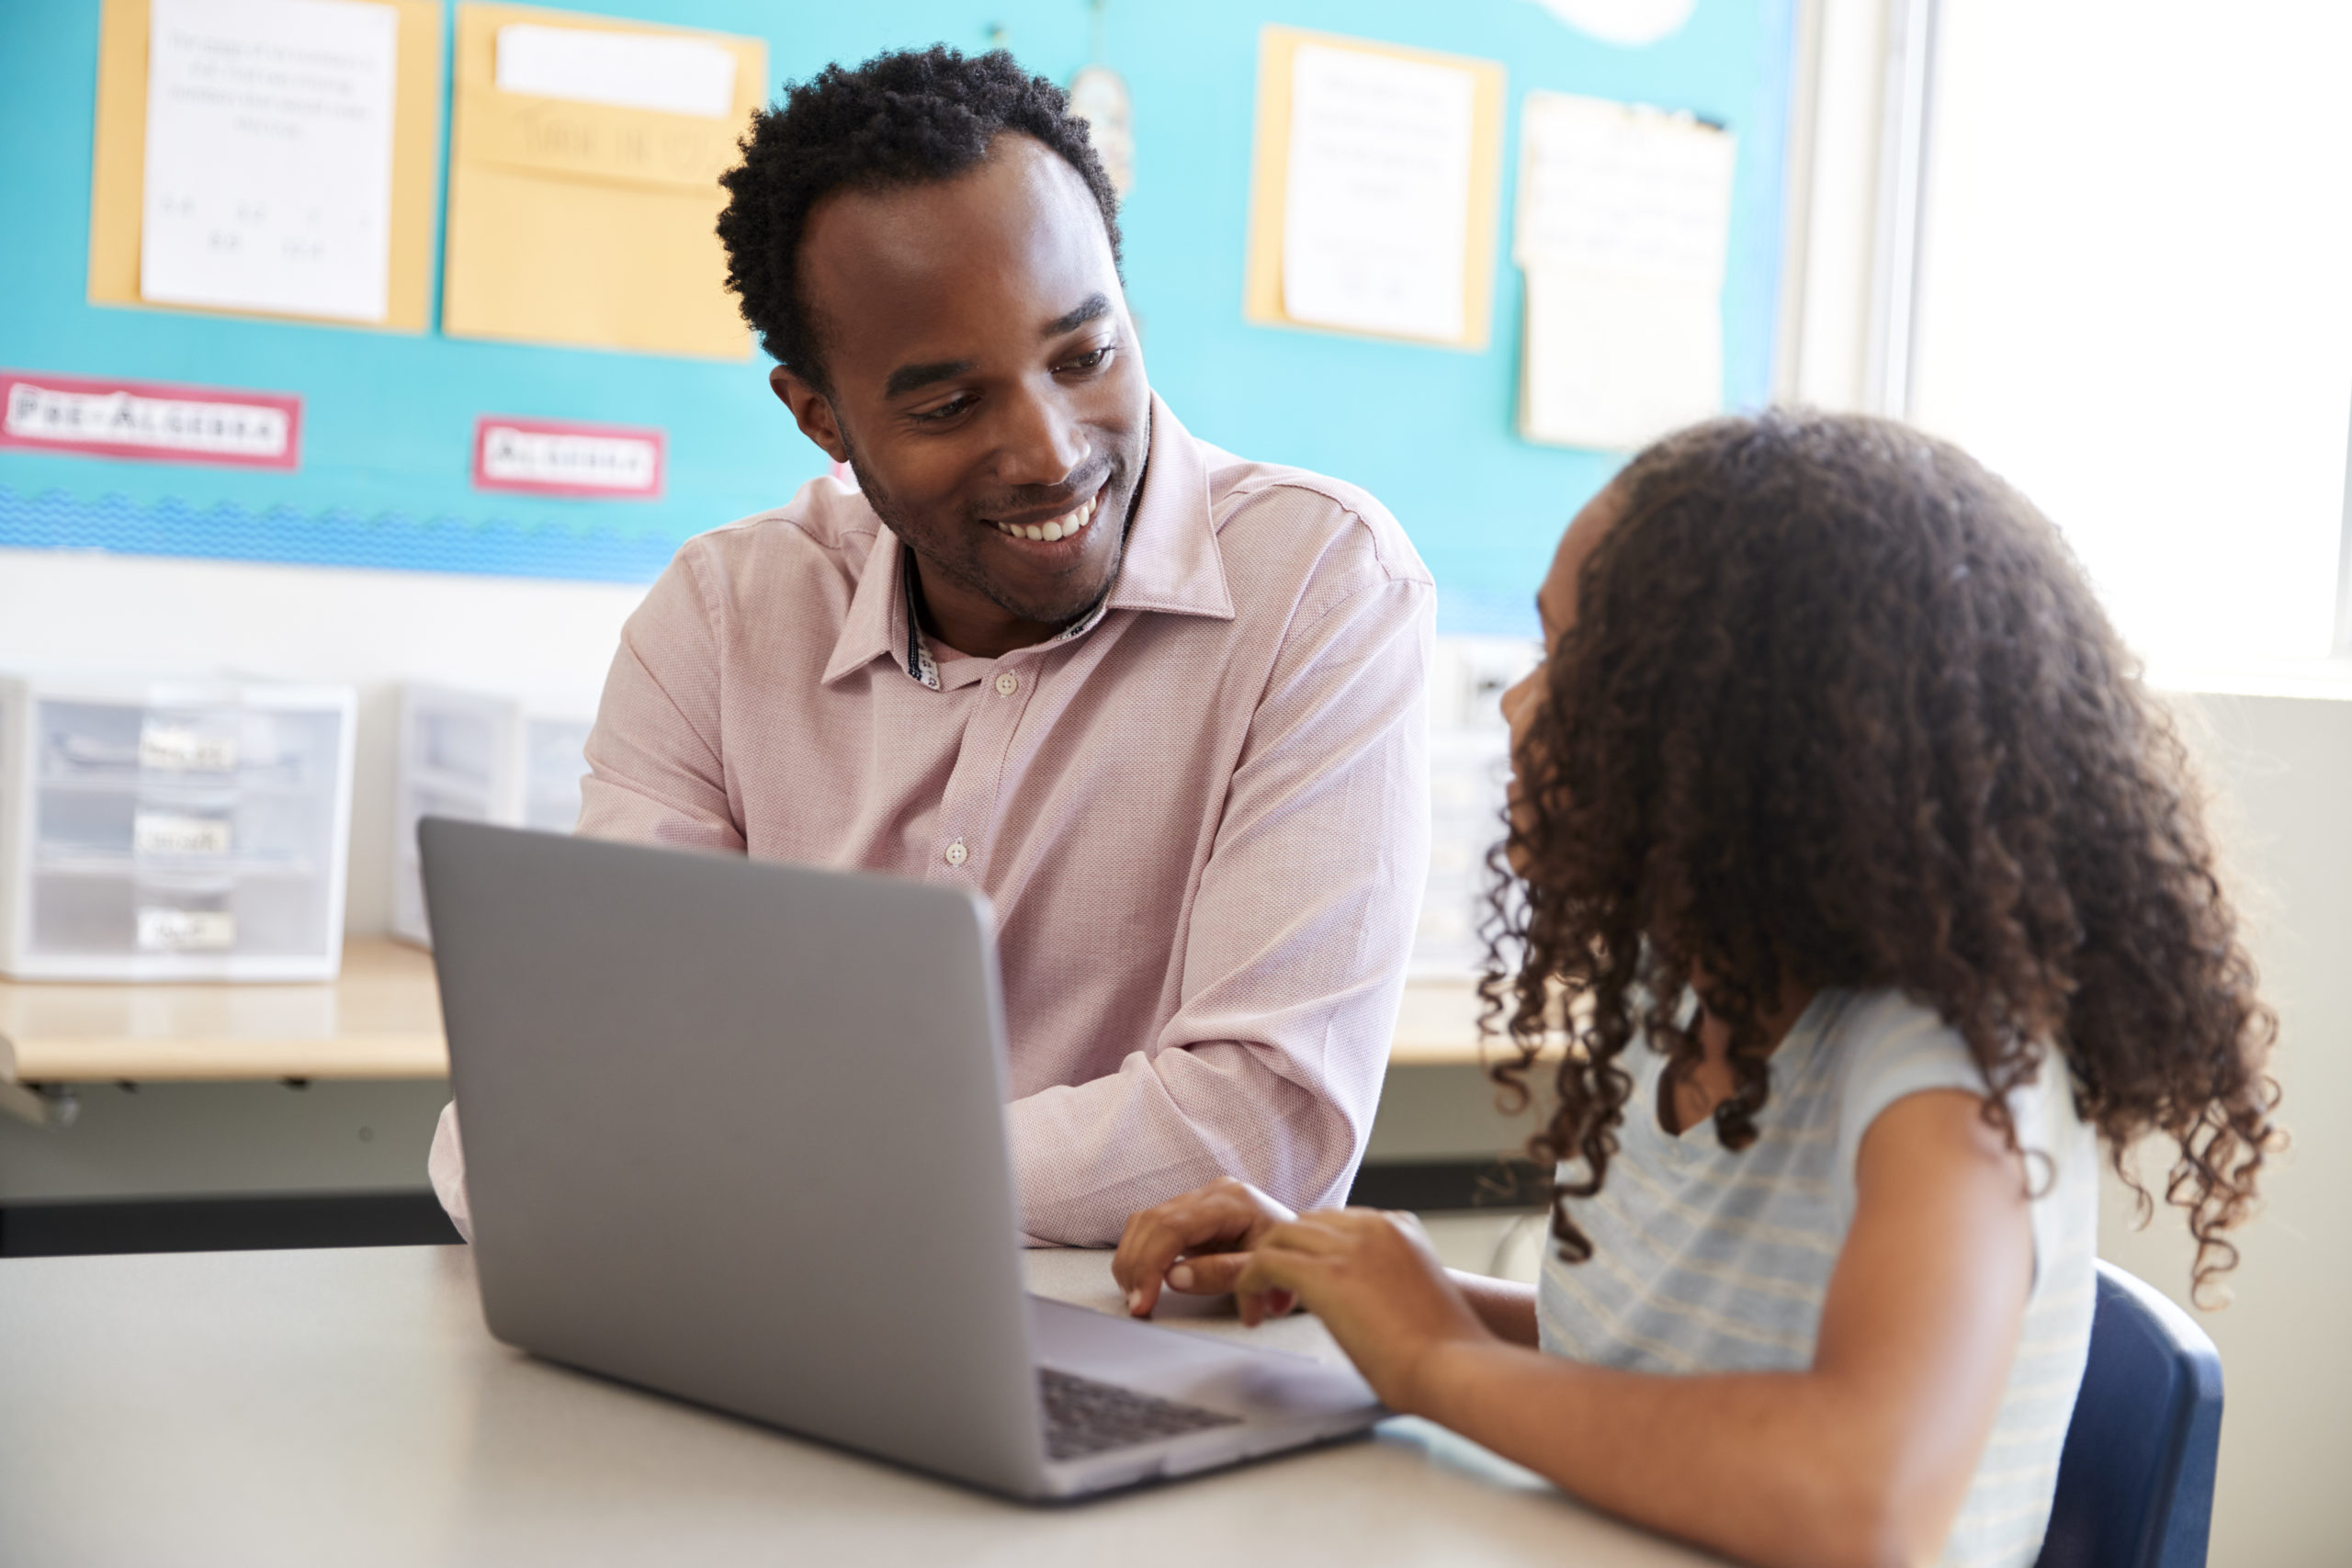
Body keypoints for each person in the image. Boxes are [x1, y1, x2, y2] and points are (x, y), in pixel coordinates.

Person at [1113, 412, 2280, 1568]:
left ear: (1752, 744)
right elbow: (1655, 1379)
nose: (1518, 709)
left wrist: (1434, 1364)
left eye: (1572, 663)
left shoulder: (1946, 1074)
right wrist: (1353, 1280)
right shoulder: (1683, 1006)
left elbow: (1860, 1500)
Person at [427, 48, 1432, 1246]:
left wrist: (747, 1168)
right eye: (950, 405)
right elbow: (561, 1084)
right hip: (778, 1311)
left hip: (1130, 1324)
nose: (1052, 450)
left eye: (1085, 355)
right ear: (820, 419)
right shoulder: (723, 614)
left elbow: (1263, 1124)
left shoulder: (1321, 583)